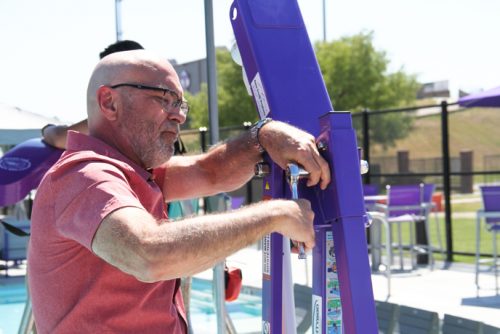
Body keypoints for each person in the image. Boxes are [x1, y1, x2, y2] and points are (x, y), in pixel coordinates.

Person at [28, 50, 330, 333]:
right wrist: (276, 215)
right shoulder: (85, 176)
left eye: (179, 103)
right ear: (109, 102)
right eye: (164, 99)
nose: (179, 116)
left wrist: (264, 135)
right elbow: (149, 253)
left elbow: (211, 171)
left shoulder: (134, 171)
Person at [41, 40, 145, 149]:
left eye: (106, 72)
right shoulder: (161, 104)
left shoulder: (117, 113)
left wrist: (48, 129)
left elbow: (60, 138)